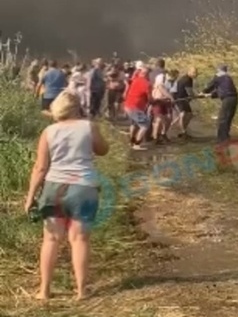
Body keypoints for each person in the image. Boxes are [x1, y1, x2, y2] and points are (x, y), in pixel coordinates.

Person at [23, 91, 109, 301]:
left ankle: (44, 291)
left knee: (51, 239)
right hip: (83, 188)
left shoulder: (49, 131)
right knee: (79, 240)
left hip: (54, 188)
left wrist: (30, 196)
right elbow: (103, 150)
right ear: (77, 107)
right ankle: (81, 291)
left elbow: (41, 168)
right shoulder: (89, 127)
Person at [201, 64, 238, 144]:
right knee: (228, 117)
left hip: (227, 99)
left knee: (222, 119)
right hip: (234, 98)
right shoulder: (228, 78)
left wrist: (203, 92)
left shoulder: (218, 76)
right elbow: (221, 91)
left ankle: (222, 139)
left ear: (218, 70)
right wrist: (210, 95)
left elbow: (210, 86)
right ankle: (226, 136)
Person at [122, 62, 151, 150]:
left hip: (127, 105)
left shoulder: (135, 79)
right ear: (147, 74)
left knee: (134, 124)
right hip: (135, 107)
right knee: (145, 124)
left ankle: (131, 141)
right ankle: (137, 144)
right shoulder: (147, 84)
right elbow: (150, 99)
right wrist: (159, 101)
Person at [150, 63, 174, 143]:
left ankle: (163, 134)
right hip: (158, 100)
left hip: (166, 101)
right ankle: (155, 137)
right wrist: (170, 97)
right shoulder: (161, 77)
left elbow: (172, 90)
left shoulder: (172, 81)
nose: (172, 79)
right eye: (171, 77)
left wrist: (171, 98)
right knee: (159, 119)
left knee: (169, 119)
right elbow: (161, 87)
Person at [174, 67, 198, 137]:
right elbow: (189, 91)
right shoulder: (187, 79)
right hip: (179, 99)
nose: (195, 74)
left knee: (189, 114)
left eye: (196, 72)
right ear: (189, 72)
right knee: (183, 114)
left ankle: (182, 129)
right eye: (194, 72)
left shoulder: (189, 79)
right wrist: (195, 96)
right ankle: (182, 131)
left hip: (184, 99)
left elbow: (190, 91)